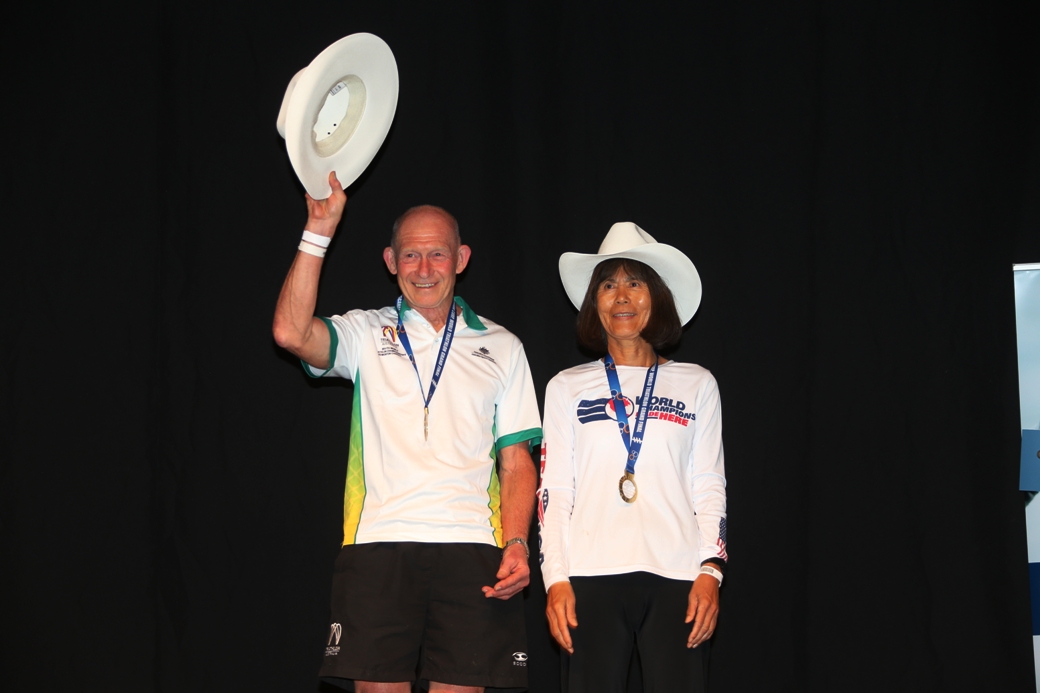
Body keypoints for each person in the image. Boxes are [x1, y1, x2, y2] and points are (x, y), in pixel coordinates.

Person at [273, 173, 542, 693]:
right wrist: (319, 229)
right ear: (390, 261)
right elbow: (290, 331)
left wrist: (516, 544)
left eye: (437, 254)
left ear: (461, 259)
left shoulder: (503, 345)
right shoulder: (364, 331)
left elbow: (516, 462)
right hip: (380, 544)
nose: (424, 269)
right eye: (411, 255)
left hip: (472, 547)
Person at [537, 222, 728, 692]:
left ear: (657, 297)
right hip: (588, 576)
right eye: (608, 285)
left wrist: (711, 570)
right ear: (594, 302)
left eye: (635, 283)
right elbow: (554, 490)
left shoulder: (697, 383)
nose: (621, 297)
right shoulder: (565, 387)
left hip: (679, 578)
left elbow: (709, 483)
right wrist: (555, 579)